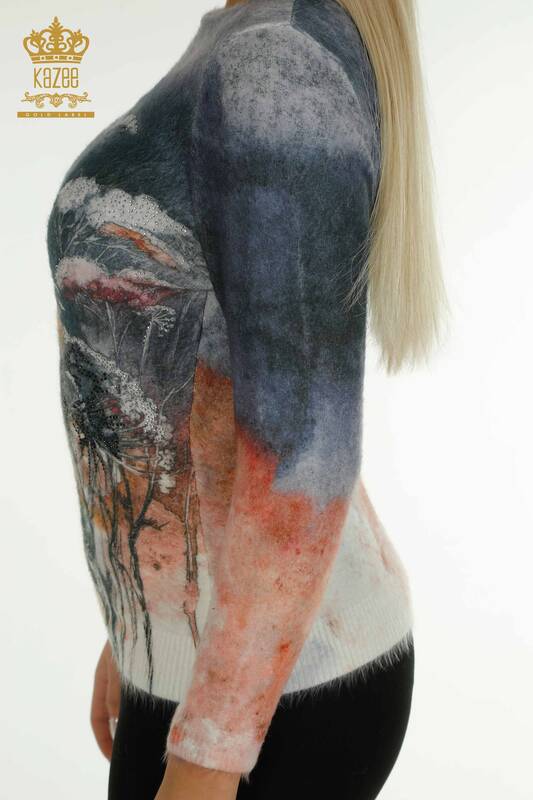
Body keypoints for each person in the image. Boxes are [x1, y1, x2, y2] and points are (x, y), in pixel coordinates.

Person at [46, 0, 448, 797]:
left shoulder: (274, 65)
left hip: (281, 697)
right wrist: (144, 632)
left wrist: (209, 751)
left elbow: (302, 454)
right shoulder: (240, 37)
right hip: (211, 666)